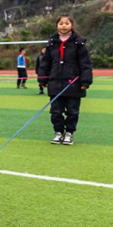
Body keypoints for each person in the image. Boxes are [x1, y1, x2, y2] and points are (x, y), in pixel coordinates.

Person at [37, 15, 93, 146]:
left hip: (73, 84)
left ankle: (69, 134)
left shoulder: (79, 43)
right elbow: (45, 63)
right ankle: (58, 133)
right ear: (57, 25)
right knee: (55, 111)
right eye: (61, 23)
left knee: (72, 111)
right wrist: (43, 79)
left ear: (72, 25)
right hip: (55, 83)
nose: (63, 25)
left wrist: (86, 81)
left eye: (67, 23)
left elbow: (86, 64)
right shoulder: (51, 43)